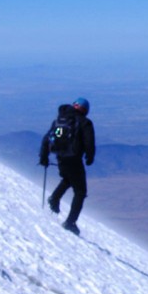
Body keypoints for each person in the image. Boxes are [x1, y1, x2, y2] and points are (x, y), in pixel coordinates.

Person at [39, 97, 95, 235]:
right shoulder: (84, 122)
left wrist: (44, 157)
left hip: (61, 158)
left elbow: (49, 139)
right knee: (80, 192)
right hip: (74, 160)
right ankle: (70, 222)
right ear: (85, 110)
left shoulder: (60, 121)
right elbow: (89, 142)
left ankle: (55, 198)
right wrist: (90, 156)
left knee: (68, 179)